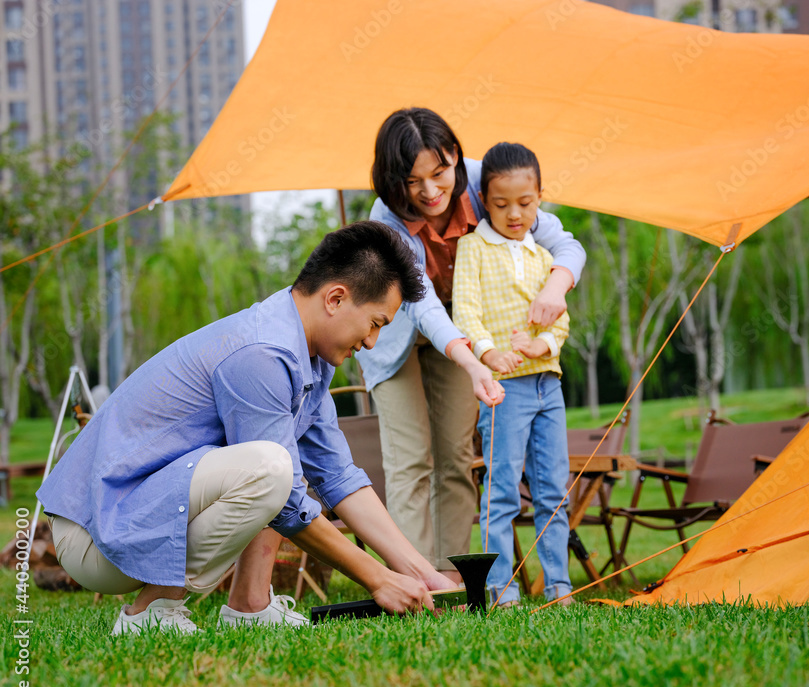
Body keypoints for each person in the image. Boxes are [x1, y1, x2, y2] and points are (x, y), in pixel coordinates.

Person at [37, 221, 456, 635]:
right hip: (95, 533)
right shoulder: (261, 353)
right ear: (336, 298)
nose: (371, 342)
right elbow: (287, 496)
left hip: (137, 514)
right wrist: (378, 579)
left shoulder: (306, 357)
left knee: (276, 461)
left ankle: (250, 606)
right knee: (271, 467)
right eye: (376, 323)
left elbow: (340, 476)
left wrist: (421, 572)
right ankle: (152, 611)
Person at [360, 108, 586, 584]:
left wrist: (554, 288)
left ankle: (455, 578)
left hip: (469, 329)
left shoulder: (493, 183)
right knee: (411, 460)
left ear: (456, 159)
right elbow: (420, 303)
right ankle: (416, 580)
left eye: (439, 173)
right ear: (392, 180)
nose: (428, 191)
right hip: (402, 333)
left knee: (456, 458)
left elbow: (566, 245)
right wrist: (473, 358)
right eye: (412, 180)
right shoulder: (386, 217)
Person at [452, 142, 573, 607]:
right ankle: (502, 587)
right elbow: (466, 311)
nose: (514, 214)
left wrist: (543, 344)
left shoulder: (545, 256)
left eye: (525, 204)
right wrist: (488, 352)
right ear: (485, 199)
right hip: (505, 389)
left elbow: (558, 317)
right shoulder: (474, 248)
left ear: (540, 197)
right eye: (501, 205)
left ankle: (559, 584)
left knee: (552, 492)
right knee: (501, 491)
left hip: (549, 384)